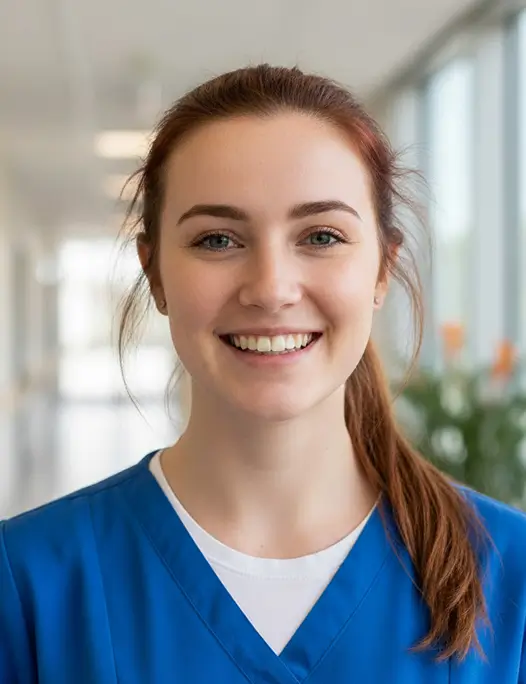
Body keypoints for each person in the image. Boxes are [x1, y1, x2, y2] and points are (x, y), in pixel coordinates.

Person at [1, 64, 526, 683]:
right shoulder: (29, 583)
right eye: (218, 240)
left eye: (322, 236)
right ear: (156, 273)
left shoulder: (510, 575)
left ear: (382, 270)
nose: (272, 289)